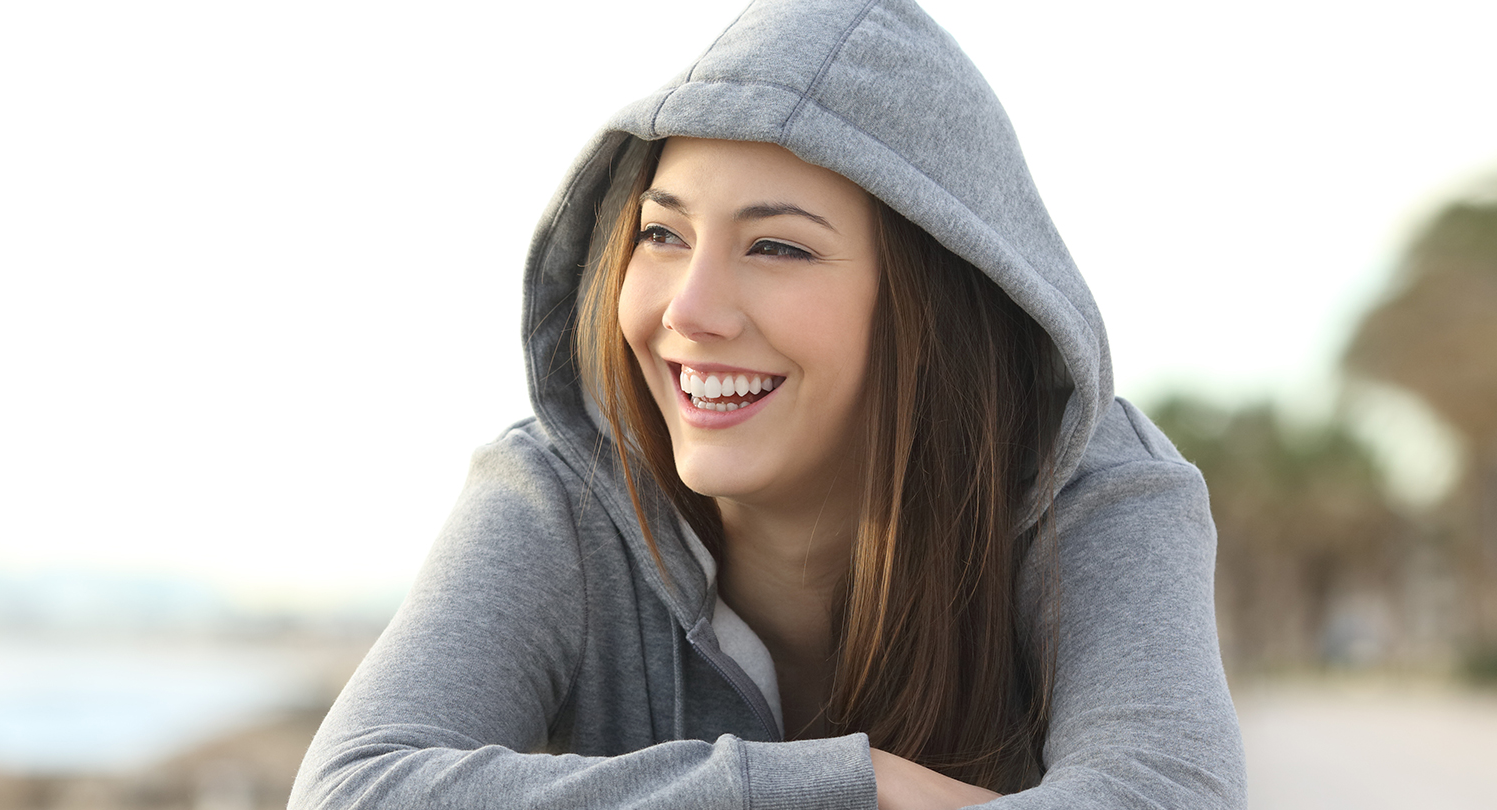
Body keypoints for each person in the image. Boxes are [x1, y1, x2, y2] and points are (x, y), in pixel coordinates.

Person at [290, 0, 1245, 807]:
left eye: (776, 247)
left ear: (935, 306)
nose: (689, 311)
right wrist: (848, 784)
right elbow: (355, 788)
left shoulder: (1094, 492)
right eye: (662, 235)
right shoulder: (563, 489)